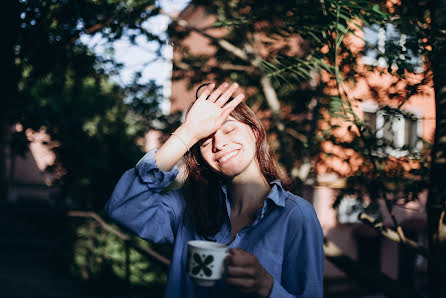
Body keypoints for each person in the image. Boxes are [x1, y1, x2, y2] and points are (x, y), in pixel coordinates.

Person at [105, 82, 324, 298]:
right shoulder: (188, 207)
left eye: (229, 129)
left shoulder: (295, 216)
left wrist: (267, 288)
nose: (218, 144)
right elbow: (125, 207)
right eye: (204, 141)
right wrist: (188, 132)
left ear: (256, 133)